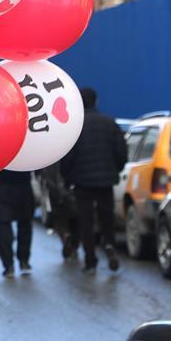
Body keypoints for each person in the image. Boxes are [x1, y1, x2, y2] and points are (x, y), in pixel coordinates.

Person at [60, 87, 127, 274]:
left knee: (86, 222)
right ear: (96, 101)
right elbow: (121, 151)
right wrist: (115, 170)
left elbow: (67, 156)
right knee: (107, 217)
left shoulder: (74, 127)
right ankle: (109, 245)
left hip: (82, 183)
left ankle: (90, 261)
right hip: (106, 181)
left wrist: (67, 178)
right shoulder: (109, 123)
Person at [0, 168, 35, 278]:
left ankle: (8, 265)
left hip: (1, 184)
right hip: (23, 183)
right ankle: (24, 261)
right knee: (25, 223)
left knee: (2, 225)